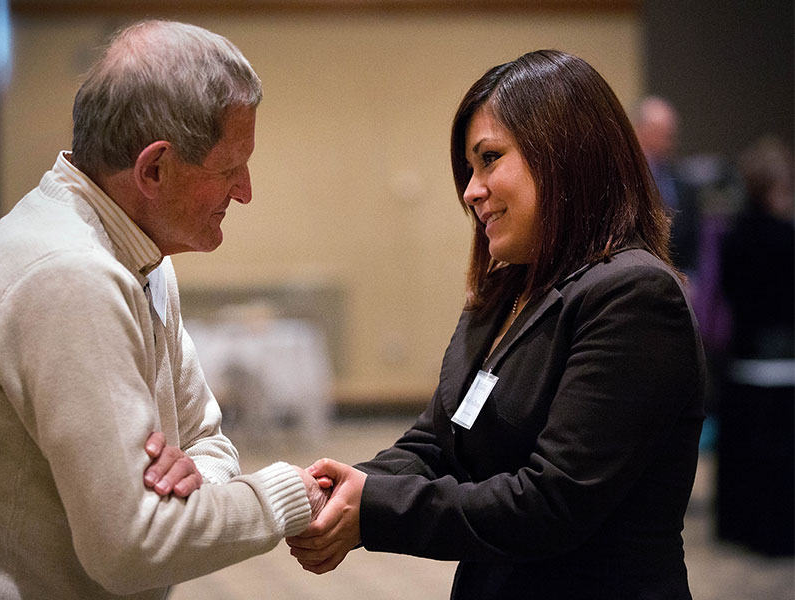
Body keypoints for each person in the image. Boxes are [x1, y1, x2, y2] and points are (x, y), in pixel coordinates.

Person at [0, 20, 328, 600]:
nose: (245, 191)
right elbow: (133, 548)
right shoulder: (70, 274)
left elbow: (209, 438)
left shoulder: (136, 252)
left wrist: (199, 474)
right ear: (153, 169)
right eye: (228, 169)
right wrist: (286, 494)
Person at [286, 50, 706, 599]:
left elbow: (550, 503)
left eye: (489, 159)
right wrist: (333, 486)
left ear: (564, 154)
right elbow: (438, 441)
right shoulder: (506, 289)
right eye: (470, 168)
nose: (470, 190)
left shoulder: (634, 295)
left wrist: (373, 508)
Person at [715, 134, 794, 555]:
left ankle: (742, 528)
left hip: (743, 358)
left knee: (746, 456)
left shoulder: (733, 236)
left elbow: (729, 294)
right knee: (778, 457)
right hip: (780, 363)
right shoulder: (785, 237)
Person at [633, 95, 701, 273]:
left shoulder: (683, 183)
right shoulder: (625, 179)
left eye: (672, 133)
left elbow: (693, 239)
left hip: (680, 274)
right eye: (663, 132)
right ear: (641, 130)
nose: (671, 140)